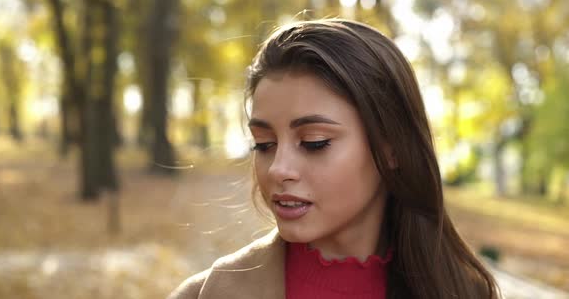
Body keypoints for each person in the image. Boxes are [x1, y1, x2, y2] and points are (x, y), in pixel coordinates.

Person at [168, 19, 500, 299]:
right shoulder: (206, 295)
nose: (279, 169)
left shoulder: (467, 293)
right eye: (264, 144)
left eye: (314, 143)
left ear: (391, 148)